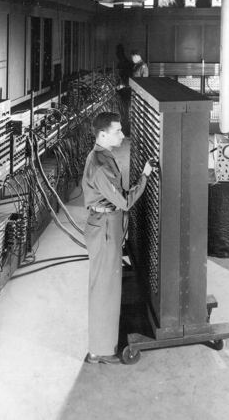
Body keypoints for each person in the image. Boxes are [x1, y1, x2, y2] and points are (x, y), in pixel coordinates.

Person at [82, 112, 155, 364]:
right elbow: (124, 201)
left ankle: (101, 345)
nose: (123, 135)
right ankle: (100, 352)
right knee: (104, 290)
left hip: (106, 224)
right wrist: (144, 177)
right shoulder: (100, 165)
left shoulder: (102, 155)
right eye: (117, 131)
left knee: (107, 287)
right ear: (103, 135)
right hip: (104, 228)